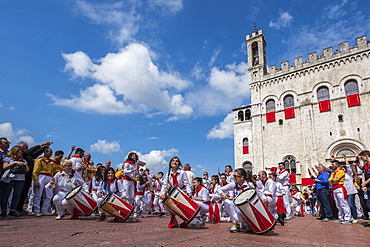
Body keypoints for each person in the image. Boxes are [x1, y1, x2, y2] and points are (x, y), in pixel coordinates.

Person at [16, 141, 52, 215]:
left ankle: (20, 208)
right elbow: (31, 150)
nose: (27, 149)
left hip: (28, 175)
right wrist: (41, 144)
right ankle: (17, 208)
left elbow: (36, 153)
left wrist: (44, 147)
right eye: (26, 147)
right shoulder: (25, 154)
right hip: (22, 175)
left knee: (24, 193)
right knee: (20, 193)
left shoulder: (28, 156)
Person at [160, 157, 192, 228]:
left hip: (181, 191)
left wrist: (189, 192)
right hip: (173, 192)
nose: (175, 162)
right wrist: (162, 194)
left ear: (179, 164)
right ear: (170, 163)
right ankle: (173, 219)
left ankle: (186, 219)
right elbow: (164, 185)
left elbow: (187, 184)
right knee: (165, 201)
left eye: (177, 161)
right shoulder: (168, 174)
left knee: (183, 207)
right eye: (173, 161)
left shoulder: (182, 172)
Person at [219, 168, 254, 233]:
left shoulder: (250, 185)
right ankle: (235, 223)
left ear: (242, 177)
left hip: (249, 208)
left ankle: (250, 223)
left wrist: (264, 199)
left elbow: (258, 194)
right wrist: (222, 194)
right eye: (233, 176)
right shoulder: (233, 184)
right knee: (227, 202)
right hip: (238, 207)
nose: (233, 178)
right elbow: (220, 189)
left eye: (235, 176)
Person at [1, 146, 29, 217]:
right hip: (10, 178)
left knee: (17, 195)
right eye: (19, 151)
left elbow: (27, 170)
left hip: (21, 179)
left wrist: (25, 165)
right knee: (6, 194)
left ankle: (13, 210)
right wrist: (14, 163)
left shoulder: (23, 160)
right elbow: (5, 167)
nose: (21, 153)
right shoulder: (7, 158)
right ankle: (3, 210)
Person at [32, 148, 54, 216]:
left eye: (51, 153)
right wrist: (36, 181)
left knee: (49, 195)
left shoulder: (51, 162)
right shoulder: (39, 160)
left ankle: (44, 210)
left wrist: (53, 178)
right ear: (45, 152)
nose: (50, 154)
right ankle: (36, 210)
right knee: (38, 194)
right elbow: (35, 171)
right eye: (49, 152)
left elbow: (53, 171)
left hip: (49, 177)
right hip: (41, 176)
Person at [328, 160, 352, 224]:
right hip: (335, 188)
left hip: (340, 188)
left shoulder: (341, 171)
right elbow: (330, 180)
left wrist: (333, 180)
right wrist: (333, 180)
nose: (332, 165)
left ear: (337, 165)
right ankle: (340, 217)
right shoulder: (333, 172)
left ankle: (347, 218)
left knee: (344, 204)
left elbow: (336, 179)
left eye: (333, 164)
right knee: (338, 204)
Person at [343, 154, 359, 223]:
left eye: (343, 169)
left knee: (351, 204)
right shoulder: (339, 176)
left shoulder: (348, 175)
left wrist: (345, 159)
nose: (342, 170)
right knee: (346, 205)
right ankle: (349, 217)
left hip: (351, 191)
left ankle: (355, 217)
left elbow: (348, 167)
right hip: (344, 192)